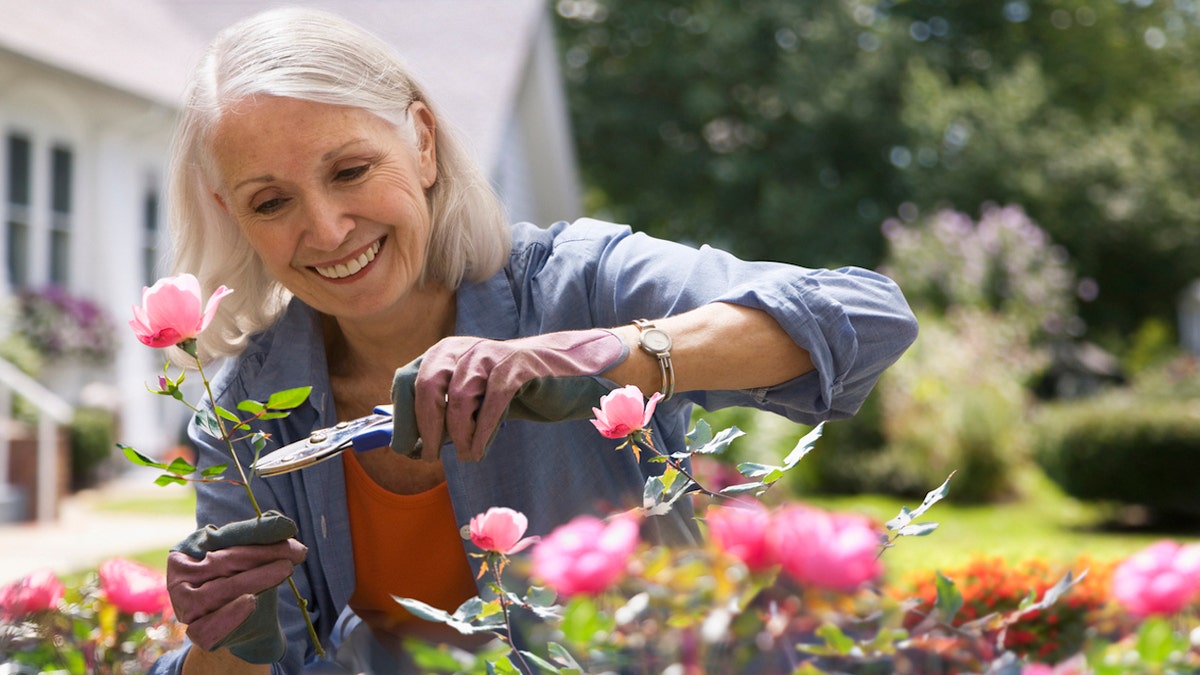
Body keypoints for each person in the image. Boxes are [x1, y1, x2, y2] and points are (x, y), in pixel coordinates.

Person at [149, 7, 918, 674]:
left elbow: (867, 315)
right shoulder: (248, 409)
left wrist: (598, 358)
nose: (325, 228)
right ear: (232, 212)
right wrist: (223, 638)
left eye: (350, 169)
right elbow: (255, 663)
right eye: (272, 200)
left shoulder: (578, 282)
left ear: (421, 141)